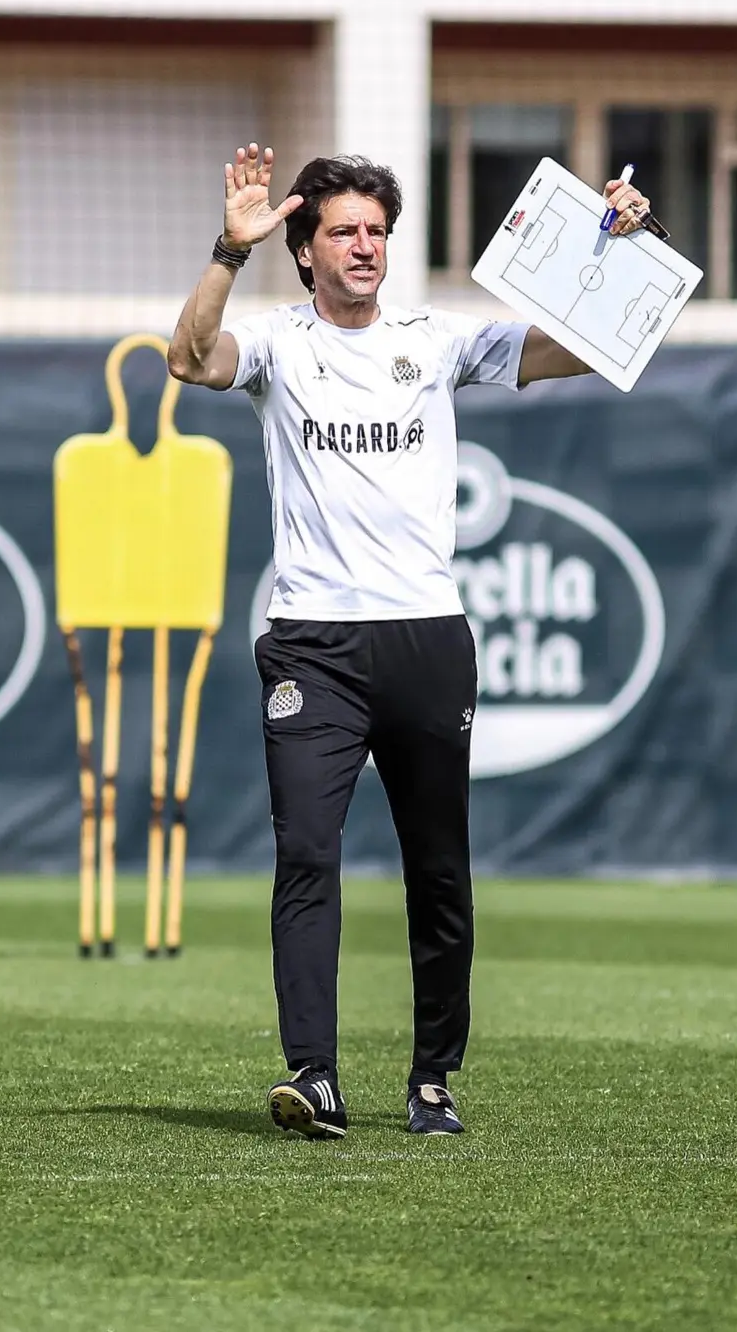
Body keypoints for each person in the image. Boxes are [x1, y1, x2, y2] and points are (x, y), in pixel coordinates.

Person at [167, 144, 652, 1138]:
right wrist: (226, 248)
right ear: (303, 250)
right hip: (313, 644)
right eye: (342, 231)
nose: (364, 247)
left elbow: (584, 347)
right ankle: (314, 1072)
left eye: (376, 231)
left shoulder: (438, 339)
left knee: (438, 865)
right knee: (305, 852)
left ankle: (434, 1076)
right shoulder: (274, 342)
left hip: (428, 638)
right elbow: (187, 358)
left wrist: (621, 244)